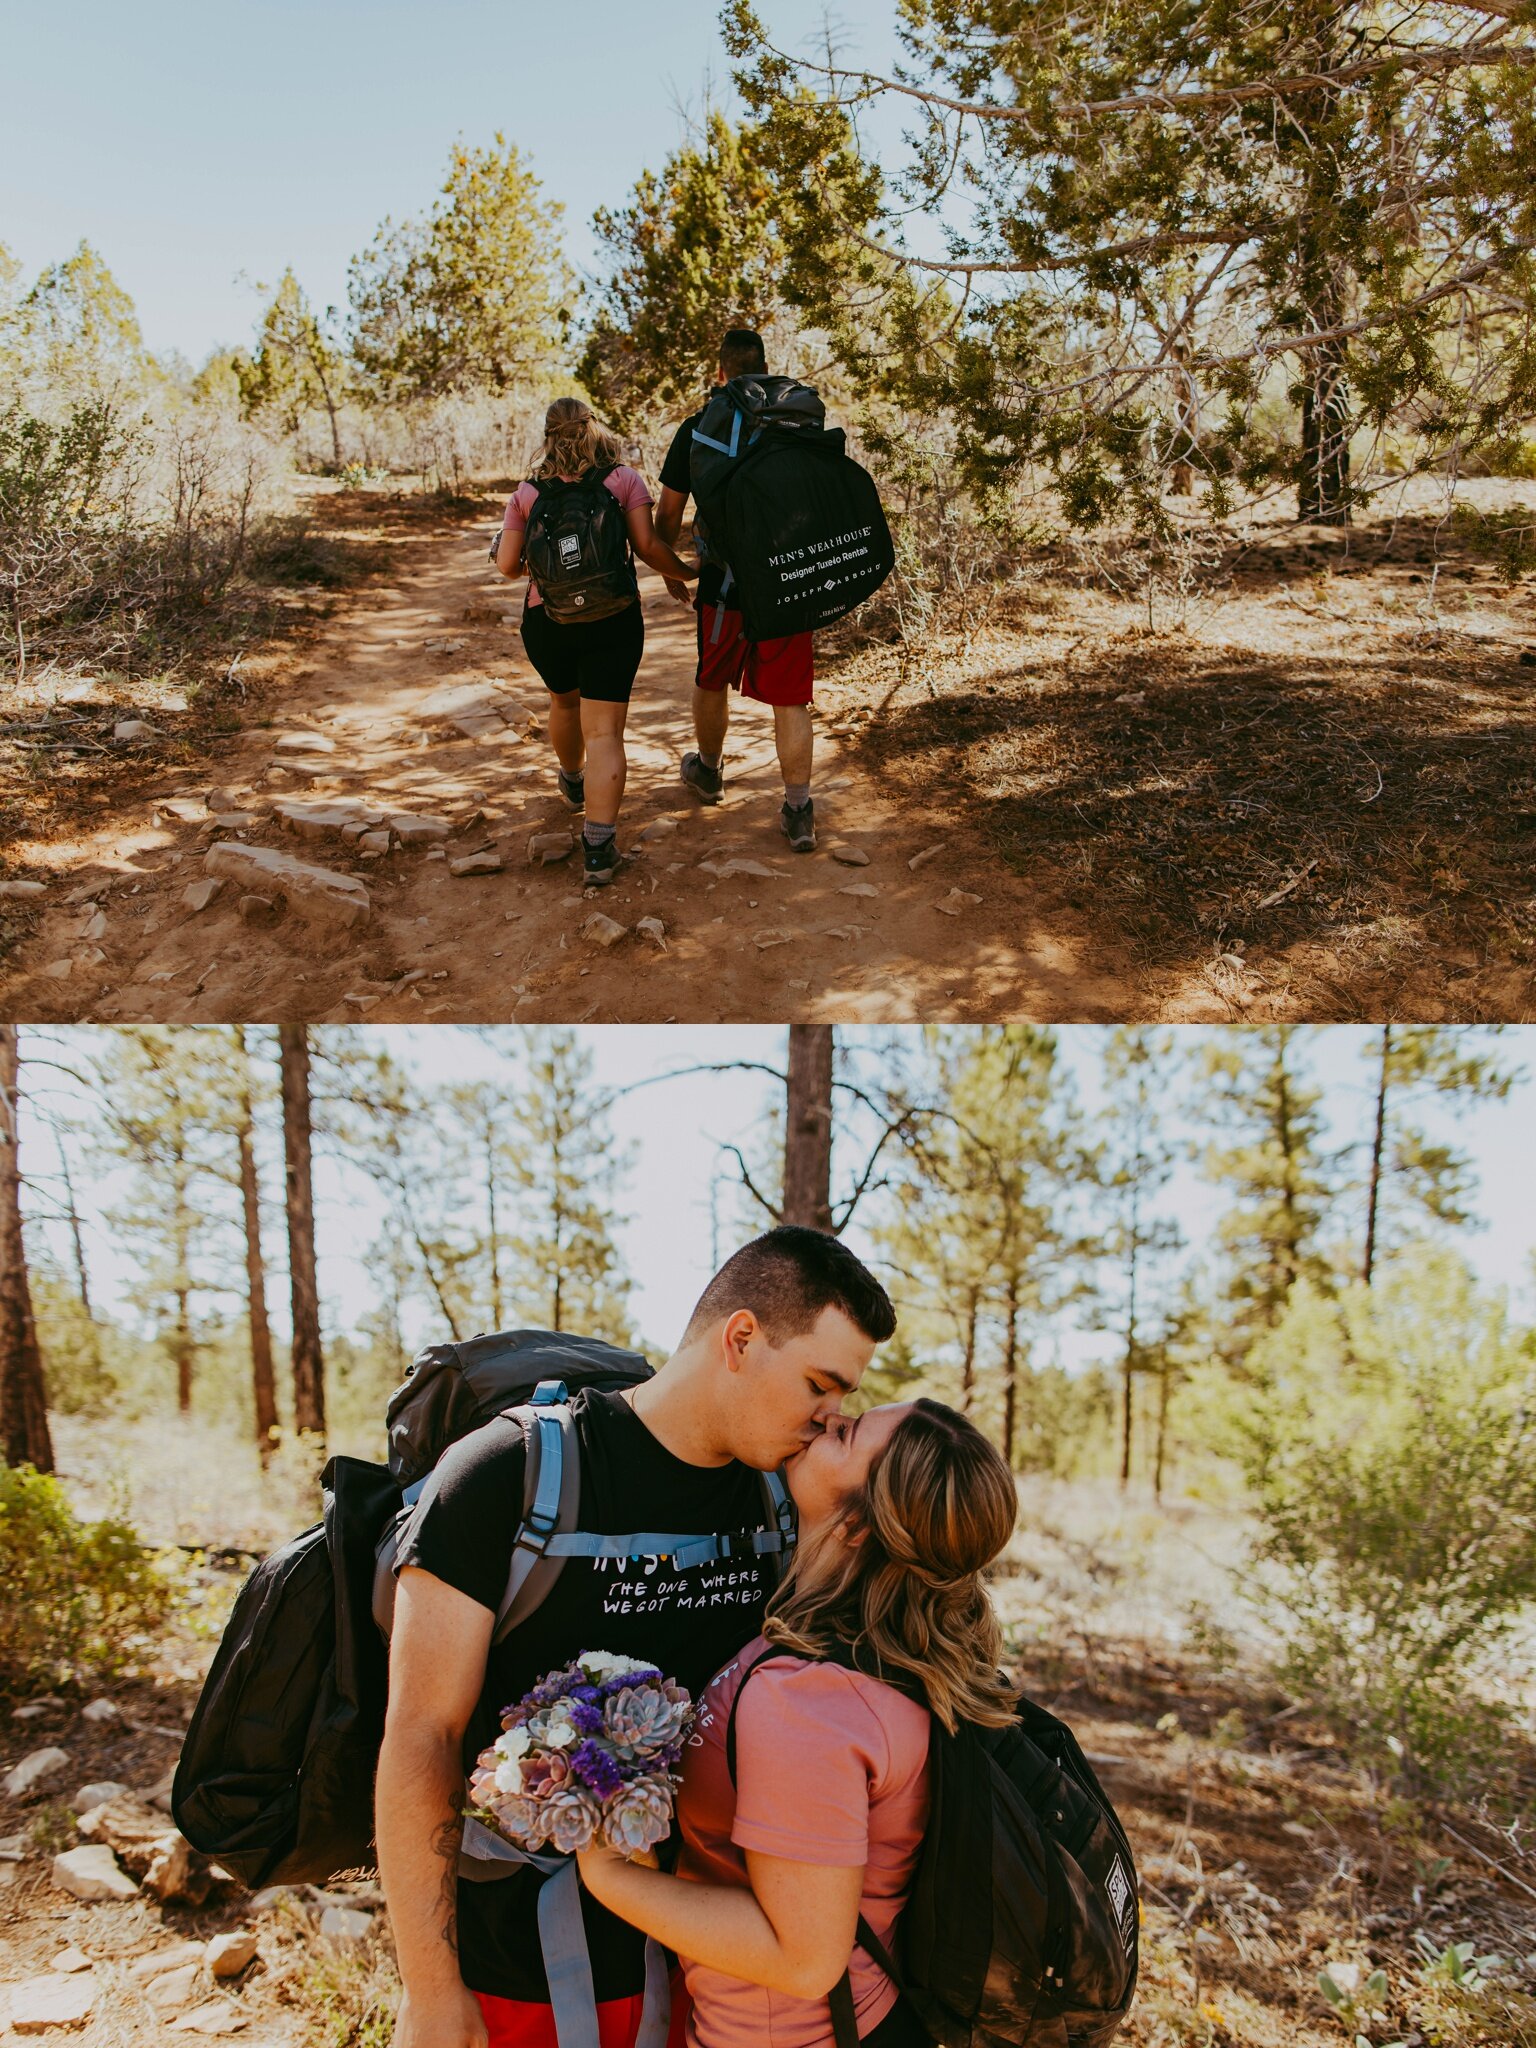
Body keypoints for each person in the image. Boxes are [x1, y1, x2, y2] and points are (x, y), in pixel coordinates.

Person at [378, 1226, 897, 2048]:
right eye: (818, 1386)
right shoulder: (502, 1477)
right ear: (741, 1339)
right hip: (521, 1970)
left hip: (717, 1971)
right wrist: (431, 1991)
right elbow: (421, 1734)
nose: (827, 1419)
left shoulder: (779, 1507)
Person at [577, 1398, 1020, 2048]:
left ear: (858, 1526)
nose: (824, 1418)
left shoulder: (811, 1701)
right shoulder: (876, 1652)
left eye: (844, 1434)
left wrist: (609, 1875)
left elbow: (802, 1959)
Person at [495, 398, 697, 888]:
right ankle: (600, 849)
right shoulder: (623, 480)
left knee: (563, 703)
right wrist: (685, 574)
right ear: (592, 428)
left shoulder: (527, 492)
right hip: (613, 620)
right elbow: (648, 548)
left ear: (547, 435)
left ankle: (571, 781)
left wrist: (546, 570)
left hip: (548, 622)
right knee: (606, 732)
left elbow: (506, 566)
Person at [655, 331, 820, 855]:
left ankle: (708, 772)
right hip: (788, 580)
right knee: (791, 696)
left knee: (711, 677)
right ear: (767, 368)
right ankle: (798, 810)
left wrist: (672, 569)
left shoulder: (698, 427)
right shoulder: (796, 422)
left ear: (721, 372)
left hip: (722, 582)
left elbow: (668, 513)